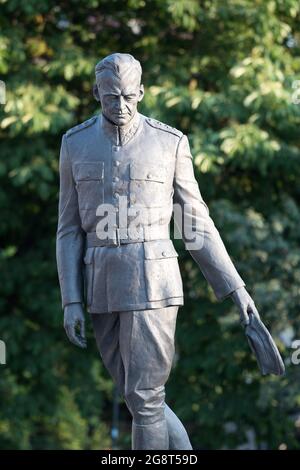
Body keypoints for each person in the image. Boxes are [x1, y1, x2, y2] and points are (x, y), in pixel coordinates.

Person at [56, 53, 260, 450]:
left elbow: (195, 226)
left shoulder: (170, 143)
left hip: (154, 283)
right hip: (100, 283)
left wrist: (236, 288)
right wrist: (71, 300)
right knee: (140, 397)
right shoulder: (75, 143)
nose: (120, 106)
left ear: (142, 93)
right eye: (111, 97)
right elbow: (68, 230)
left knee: (146, 399)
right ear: (97, 92)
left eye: (129, 97)